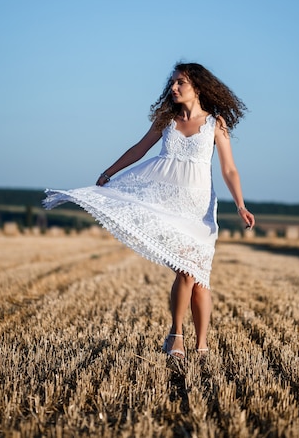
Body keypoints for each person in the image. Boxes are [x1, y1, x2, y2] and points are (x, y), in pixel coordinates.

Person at [43, 62, 255, 359]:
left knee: (200, 278)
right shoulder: (166, 119)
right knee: (186, 272)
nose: (174, 87)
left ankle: (202, 345)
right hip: (165, 203)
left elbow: (229, 169)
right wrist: (108, 173)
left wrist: (241, 205)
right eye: (173, 82)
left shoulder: (215, 124)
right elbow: (139, 150)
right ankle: (176, 334)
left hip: (200, 209)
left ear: (197, 86)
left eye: (180, 82)